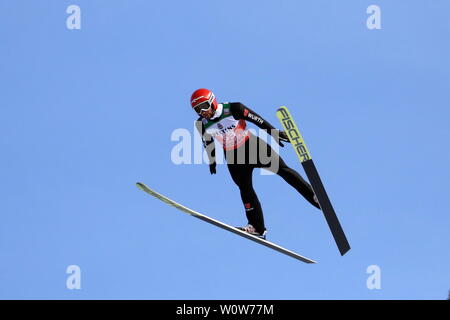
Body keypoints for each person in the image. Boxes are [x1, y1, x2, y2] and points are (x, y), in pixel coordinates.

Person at [191, 88, 320, 239]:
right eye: (197, 109)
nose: (202, 111)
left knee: (283, 171)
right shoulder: (201, 123)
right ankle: (257, 227)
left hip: (252, 146)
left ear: (212, 101)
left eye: (204, 106)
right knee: (245, 189)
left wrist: (273, 132)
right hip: (233, 158)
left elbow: (257, 119)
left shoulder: (233, 108)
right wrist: (212, 160)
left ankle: (315, 196)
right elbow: (207, 142)